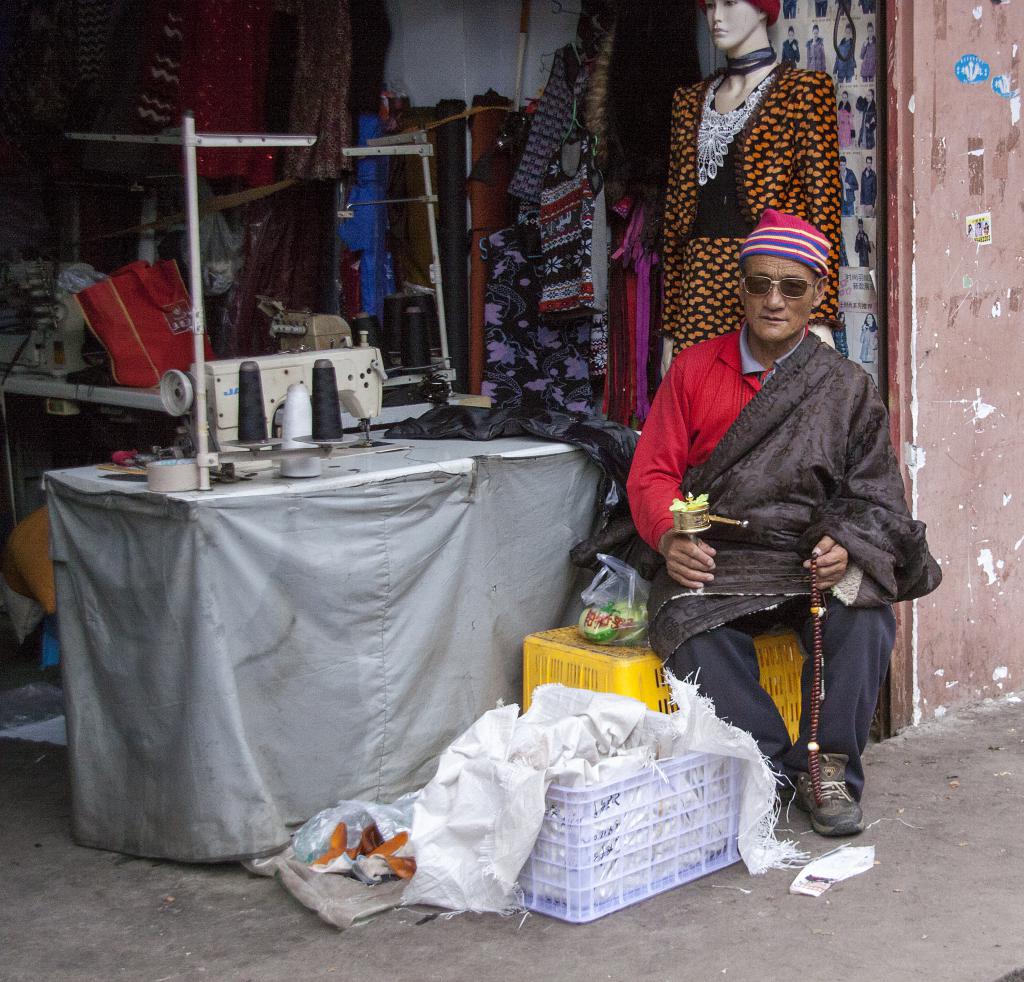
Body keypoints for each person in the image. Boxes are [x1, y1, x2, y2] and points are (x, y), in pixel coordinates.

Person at [628, 209, 941, 836]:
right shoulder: (692, 370)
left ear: (817, 294)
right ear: (740, 288)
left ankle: (826, 766)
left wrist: (846, 546)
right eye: (760, 284)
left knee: (867, 613)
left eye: (792, 287)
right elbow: (651, 475)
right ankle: (770, 763)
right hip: (719, 555)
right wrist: (668, 535)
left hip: (806, 558)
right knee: (687, 629)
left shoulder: (847, 386)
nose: (774, 300)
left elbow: (875, 494)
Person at [663, 1, 842, 353]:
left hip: (772, 289)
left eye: (729, 3)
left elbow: (825, 213)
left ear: (763, 10)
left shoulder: (804, 91)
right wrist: (671, 328)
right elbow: (674, 226)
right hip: (699, 291)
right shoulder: (687, 103)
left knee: (771, 403)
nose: (716, 17)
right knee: (705, 403)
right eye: (710, 6)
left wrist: (819, 317)